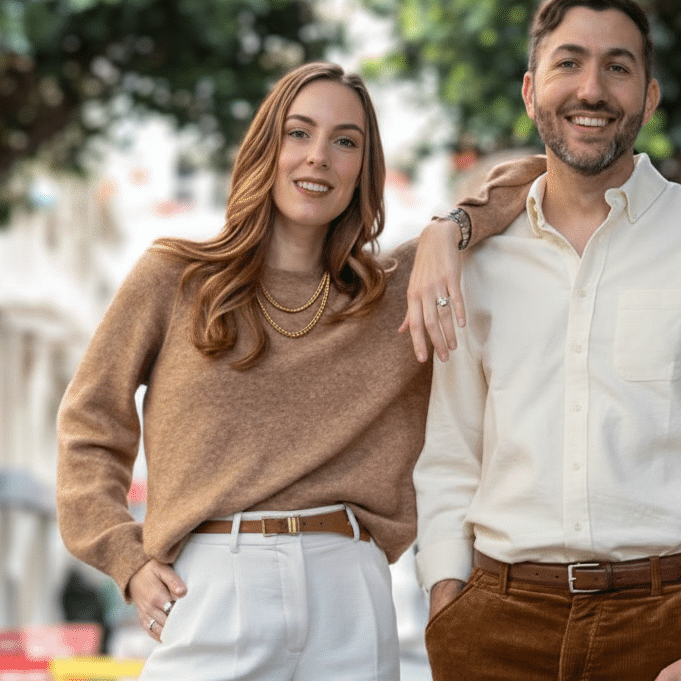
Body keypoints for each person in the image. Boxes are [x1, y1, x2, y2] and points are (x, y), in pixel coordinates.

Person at [55, 61, 535, 680]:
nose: (319, 157)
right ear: (266, 148)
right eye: (299, 133)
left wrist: (450, 229)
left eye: (345, 142)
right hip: (214, 583)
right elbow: (89, 424)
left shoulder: (394, 291)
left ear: (364, 169)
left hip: (349, 589)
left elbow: (536, 176)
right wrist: (126, 559)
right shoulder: (177, 279)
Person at [415, 0, 681, 681]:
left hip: (666, 623)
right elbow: (450, 452)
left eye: (617, 67)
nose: (592, 88)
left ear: (649, 97)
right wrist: (446, 604)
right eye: (568, 63)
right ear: (531, 91)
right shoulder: (477, 262)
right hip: (494, 625)